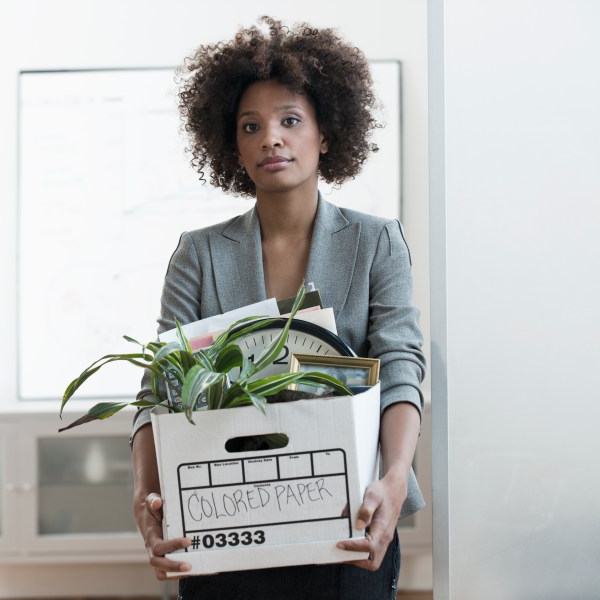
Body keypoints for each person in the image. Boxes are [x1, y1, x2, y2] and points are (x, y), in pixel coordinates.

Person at [130, 16, 426, 600]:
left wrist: (393, 481)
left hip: (348, 518)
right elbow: (160, 384)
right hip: (223, 520)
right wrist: (146, 495)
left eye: (291, 120)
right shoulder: (200, 253)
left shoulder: (377, 242)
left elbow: (400, 367)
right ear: (232, 147)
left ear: (326, 135)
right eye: (251, 125)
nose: (272, 137)